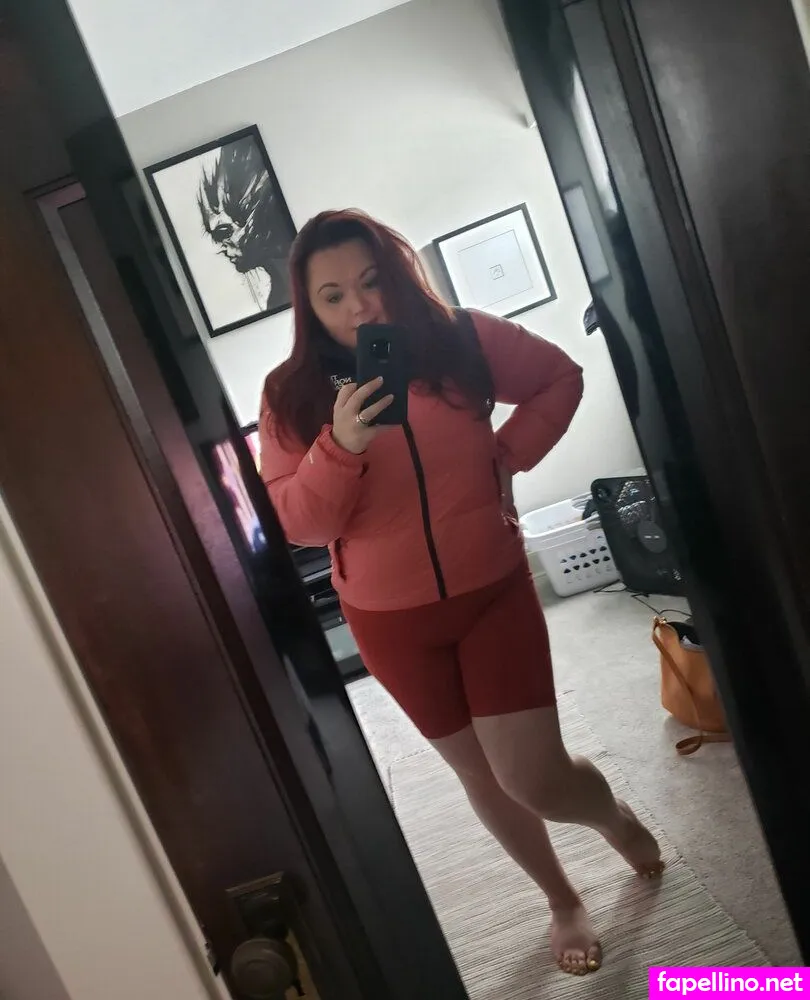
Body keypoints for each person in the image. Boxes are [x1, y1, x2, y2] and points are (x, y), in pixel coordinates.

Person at [259, 209, 663, 977]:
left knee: (535, 777)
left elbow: (559, 378)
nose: (360, 308)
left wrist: (506, 455)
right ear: (309, 308)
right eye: (334, 296)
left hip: (491, 592)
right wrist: (340, 446)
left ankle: (610, 816)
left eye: (371, 282)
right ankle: (560, 898)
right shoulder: (291, 395)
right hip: (390, 623)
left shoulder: (463, 338)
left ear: (396, 273)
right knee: (481, 774)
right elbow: (301, 524)